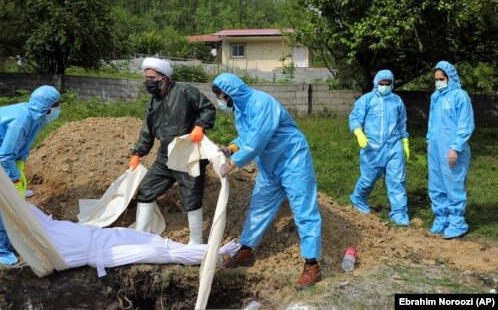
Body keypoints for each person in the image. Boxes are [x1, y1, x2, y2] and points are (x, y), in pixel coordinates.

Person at [211, 73, 323, 290]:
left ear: (232, 92)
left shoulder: (261, 102)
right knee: (259, 207)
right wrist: (231, 148)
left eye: (222, 96)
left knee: (304, 210)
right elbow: (247, 137)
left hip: (293, 160)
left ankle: (312, 265)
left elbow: (257, 140)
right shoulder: (241, 110)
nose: (222, 101)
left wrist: (232, 164)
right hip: (270, 165)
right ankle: (246, 251)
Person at [130, 57, 216, 245]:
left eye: (151, 78)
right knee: (146, 189)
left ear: (163, 78)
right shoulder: (153, 103)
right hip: (165, 156)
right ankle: (141, 236)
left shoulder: (185, 91)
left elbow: (208, 109)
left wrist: (200, 126)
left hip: (188, 154)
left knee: (191, 195)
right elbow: (147, 131)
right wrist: (138, 153)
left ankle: (196, 241)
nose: (148, 82)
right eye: (146, 78)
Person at [0, 85, 61, 265]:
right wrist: (13, 177)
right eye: (57, 105)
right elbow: (5, 155)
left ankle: (9, 239)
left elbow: (19, 148)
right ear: (48, 107)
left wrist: (18, 169)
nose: (58, 110)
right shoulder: (21, 120)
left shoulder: (36, 117)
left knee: (9, 198)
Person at [29, 204, 239, 276]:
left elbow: (24, 210)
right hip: (104, 253)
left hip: (104, 235)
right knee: (161, 253)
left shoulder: (46, 225)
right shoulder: (47, 247)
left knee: (158, 243)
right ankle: (215, 253)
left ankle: (214, 252)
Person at [348, 69, 410, 226]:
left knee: (397, 179)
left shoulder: (397, 101)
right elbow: (355, 118)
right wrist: (358, 133)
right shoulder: (366, 100)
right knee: (368, 178)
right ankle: (358, 199)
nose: (384, 86)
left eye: (387, 84)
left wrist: (404, 141)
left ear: (392, 84)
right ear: (376, 83)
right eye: (381, 83)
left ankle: (399, 212)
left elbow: (402, 123)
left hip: (394, 146)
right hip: (372, 147)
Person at [427, 61, 474, 239]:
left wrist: (455, 148)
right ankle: (441, 218)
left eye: (442, 79)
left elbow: (465, 124)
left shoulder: (460, 96)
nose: (438, 82)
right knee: (436, 184)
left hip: (453, 150)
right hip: (435, 148)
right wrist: (429, 141)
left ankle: (457, 221)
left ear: (450, 78)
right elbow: (432, 123)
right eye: (436, 79)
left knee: (453, 184)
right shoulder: (435, 97)